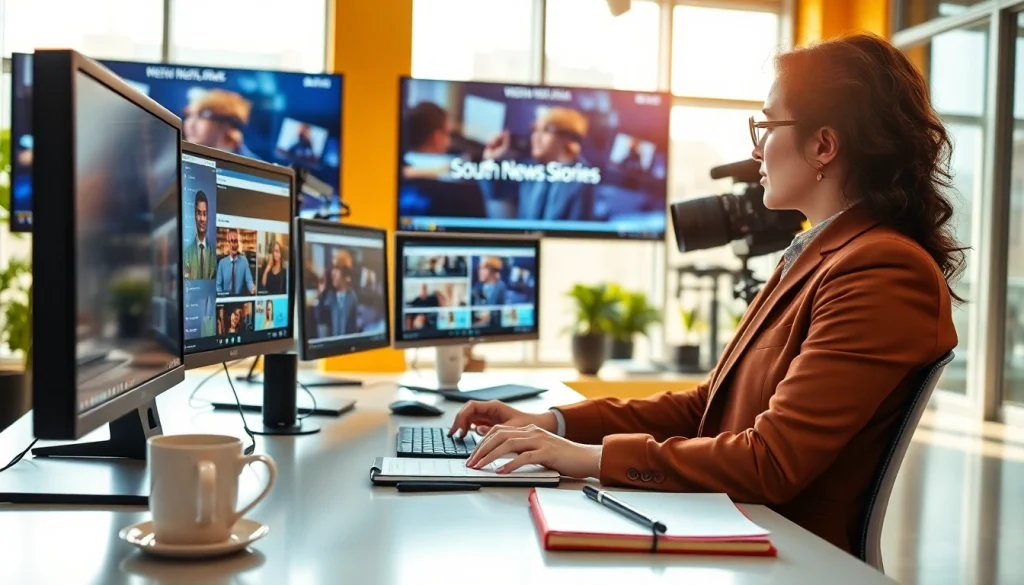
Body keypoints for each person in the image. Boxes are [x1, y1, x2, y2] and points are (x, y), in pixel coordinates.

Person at [449, 33, 963, 555]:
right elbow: (705, 407)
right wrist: (554, 424)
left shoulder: (880, 269)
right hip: (733, 525)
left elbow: (770, 461)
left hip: (789, 553)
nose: (755, 148)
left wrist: (588, 458)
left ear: (824, 145)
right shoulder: (816, 253)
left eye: (766, 125)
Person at [478, 107, 595, 221]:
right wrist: (491, 160)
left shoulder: (583, 176)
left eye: (546, 130)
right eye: (535, 130)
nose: (535, 137)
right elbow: (496, 192)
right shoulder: (529, 168)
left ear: (569, 138)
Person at [183, 89, 259, 160]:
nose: (190, 124)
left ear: (226, 124)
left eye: (201, 116)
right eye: (189, 115)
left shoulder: (254, 168)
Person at [317, 260, 359, 336]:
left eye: (337, 269)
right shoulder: (329, 298)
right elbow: (321, 322)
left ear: (346, 276)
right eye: (333, 269)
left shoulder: (353, 298)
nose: (333, 273)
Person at [183, 190, 215, 281]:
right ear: (194, 215)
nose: (202, 219)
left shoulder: (213, 254)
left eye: (204, 214)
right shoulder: (187, 254)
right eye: (198, 213)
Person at [216, 229, 256, 296]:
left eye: (236, 241)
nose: (234, 244)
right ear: (228, 244)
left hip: (239, 301)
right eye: (232, 241)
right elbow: (218, 285)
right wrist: (222, 297)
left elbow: (249, 281)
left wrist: (253, 289)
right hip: (225, 300)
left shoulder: (244, 261)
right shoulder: (222, 263)